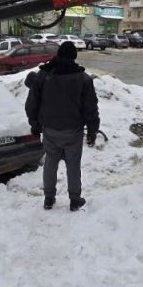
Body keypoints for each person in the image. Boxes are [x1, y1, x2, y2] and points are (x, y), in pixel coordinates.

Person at [24, 40, 99, 211]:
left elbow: (32, 103)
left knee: (50, 162)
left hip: (49, 129)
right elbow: (91, 108)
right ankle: (75, 199)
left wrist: (34, 124)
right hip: (73, 130)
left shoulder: (43, 75)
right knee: (73, 164)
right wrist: (92, 130)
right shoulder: (83, 79)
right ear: (74, 56)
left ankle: (49, 198)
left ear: (58, 55)